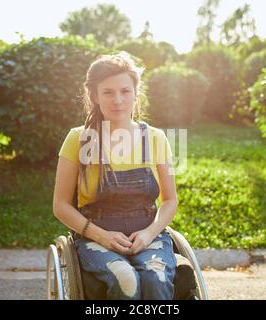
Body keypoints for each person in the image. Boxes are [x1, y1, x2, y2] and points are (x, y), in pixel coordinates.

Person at [53, 52, 178, 300]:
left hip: (147, 235)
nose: (118, 100)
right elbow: (60, 205)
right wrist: (102, 236)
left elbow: (170, 200)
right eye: (108, 92)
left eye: (125, 91)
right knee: (126, 278)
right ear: (95, 97)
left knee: (156, 278)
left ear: (135, 93)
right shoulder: (79, 139)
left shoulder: (155, 138)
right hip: (96, 237)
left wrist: (149, 233)